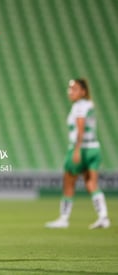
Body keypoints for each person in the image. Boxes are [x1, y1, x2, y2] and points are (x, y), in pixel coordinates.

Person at [45, 79, 110, 229]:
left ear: (83, 92)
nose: (70, 92)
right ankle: (103, 217)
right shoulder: (90, 105)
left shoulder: (79, 107)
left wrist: (77, 150)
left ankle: (64, 218)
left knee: (68, 183)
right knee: (92, 184)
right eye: (70, 89)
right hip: (94, 147)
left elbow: (80, 128)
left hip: (81, 148)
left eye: (74, 89)